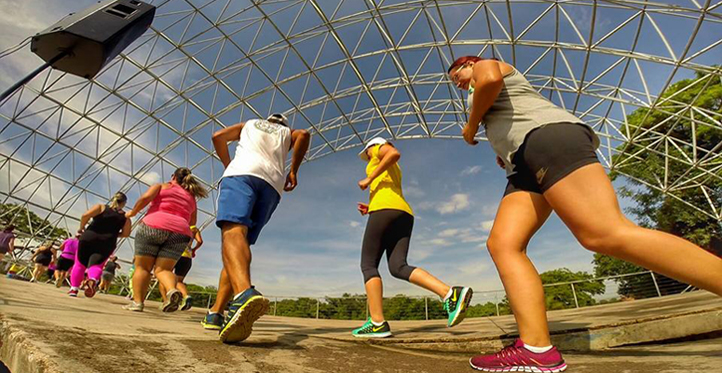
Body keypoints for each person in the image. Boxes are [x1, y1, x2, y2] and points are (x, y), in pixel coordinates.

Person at [447, 56, 722, 372]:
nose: (458, 80)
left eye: (458, 73)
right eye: (454, 80)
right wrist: (505, 153)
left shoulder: (486, 67)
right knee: (503, 244)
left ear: (470, 63)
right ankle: (537, 348)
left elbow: (492, 79)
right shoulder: (479, 95)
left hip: (548, 138)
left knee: (603, 232)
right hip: (523, 161)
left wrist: (471, 126)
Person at [202, 113, 310, 344]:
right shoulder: (286, 133)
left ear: (268, 119)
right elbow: (304, 135)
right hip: (272, 185)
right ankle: (216, 313)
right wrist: (293, 171)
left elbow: (217, 136)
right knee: (241, 244)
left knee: (232, 232)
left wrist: (227, 163)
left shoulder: (248, 124)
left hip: (241, 173)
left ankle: (243, 294)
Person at [352, 137, 473, 338]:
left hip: (385, 210)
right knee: (397, 266)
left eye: (367, 153)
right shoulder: (393, 170)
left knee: (368, 265)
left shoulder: (377, 149)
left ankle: (377, 323)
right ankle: (450, 294)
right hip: (403, 213)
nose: (367, 157)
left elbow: (393, 153)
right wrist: (370, 207)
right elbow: (389, 187)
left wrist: (369, 178)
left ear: (372, 147)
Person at [123, 167, 208, 313]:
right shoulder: (191, 198)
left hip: (153, 226)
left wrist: (133, 212)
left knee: (142, 268)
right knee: (164, 270)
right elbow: (193, 221)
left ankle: (137, 303)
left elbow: (144, 199)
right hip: (181, 233)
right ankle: (171, 290)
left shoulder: (160, 186)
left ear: (173, 176)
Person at [69, 192, 131, 298]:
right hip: (107, 242)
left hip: (88, 237)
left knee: (79, 264)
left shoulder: (101, 207)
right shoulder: (125, 218)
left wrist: (82, 228)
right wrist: (114, 234)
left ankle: (74, 289)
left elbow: (85, 215)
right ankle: (92, 279)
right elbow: (126, 234)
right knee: (97, 265)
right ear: (124, 203)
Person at [159, 226, 203, 311]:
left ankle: (166, 301)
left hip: (173, 254)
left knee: (163, 276)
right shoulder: (194, 228)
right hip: (187, 256)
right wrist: (193, 249)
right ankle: (186, 296)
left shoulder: (175, 223)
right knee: (179, 281)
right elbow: (200, 241)